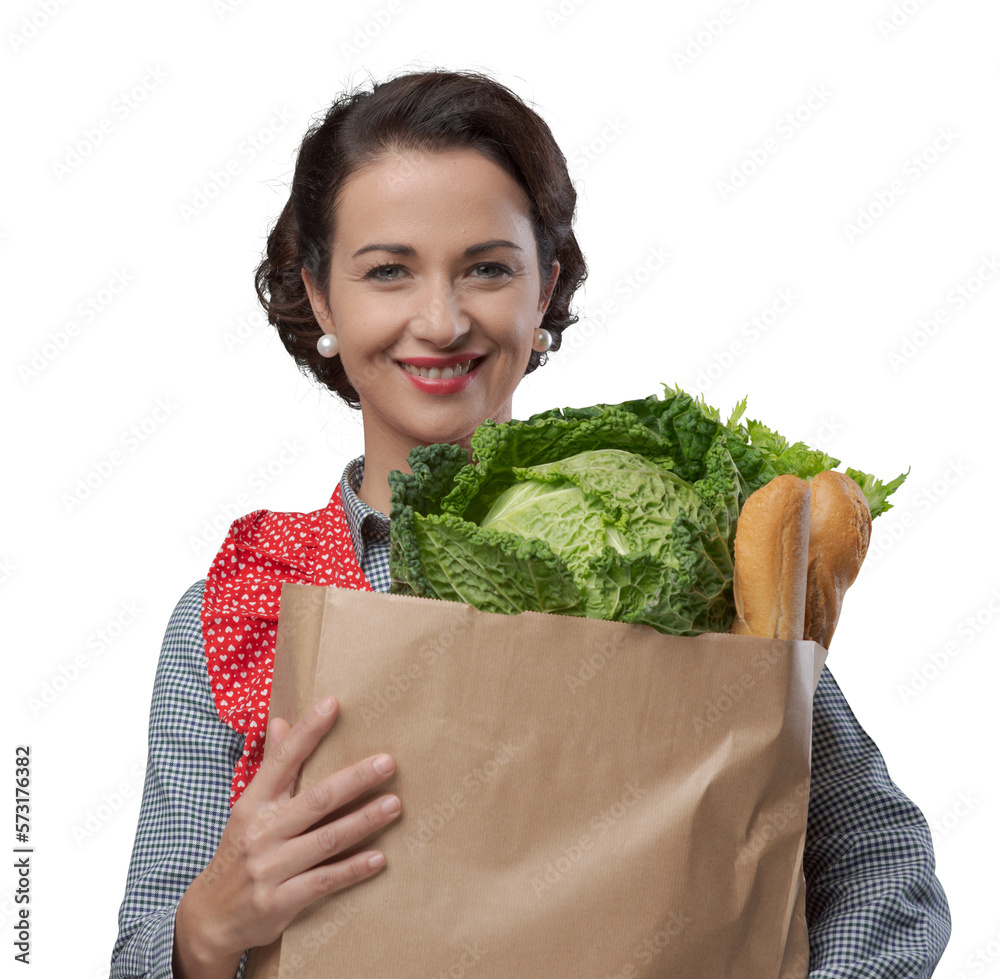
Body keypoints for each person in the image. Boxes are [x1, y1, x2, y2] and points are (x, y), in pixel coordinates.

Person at [110, 68, 951, 979]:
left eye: (487, 269)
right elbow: (142, 955)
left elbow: (882, 867)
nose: (440, 319)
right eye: (388, 271)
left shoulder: (675, 564)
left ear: (544, 291)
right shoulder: (237, 613)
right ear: (319, 296)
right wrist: (206, 925)